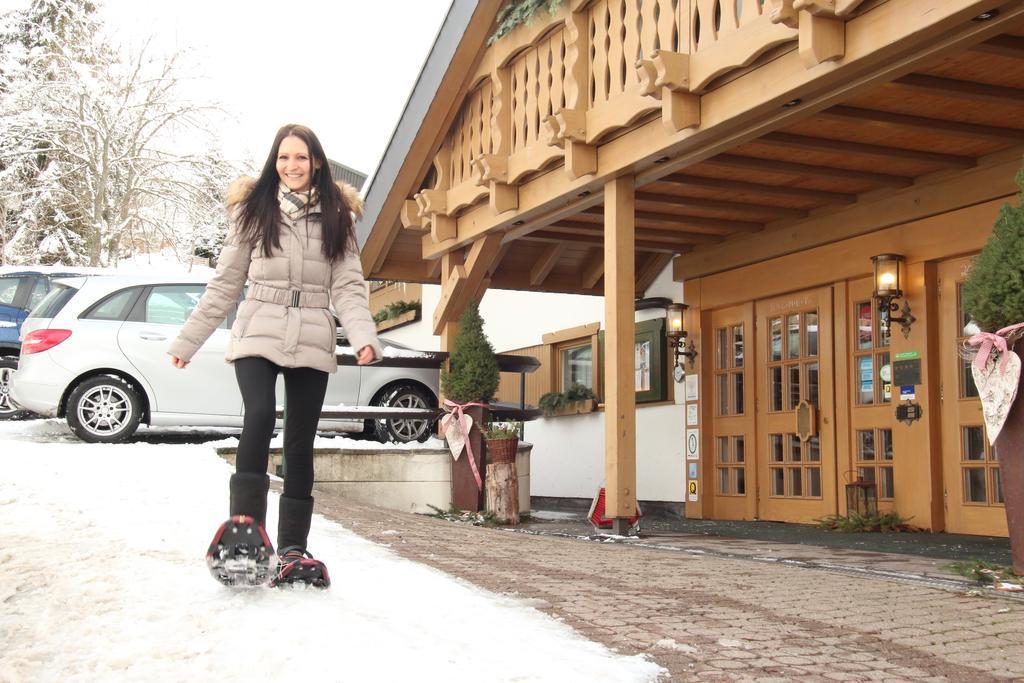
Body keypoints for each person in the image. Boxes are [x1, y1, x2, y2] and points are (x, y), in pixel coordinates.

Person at [168, 124, 381, 587]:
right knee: (260, 414)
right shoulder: (253, 212)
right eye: (284, 158)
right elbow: (225, 283)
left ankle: (291, 549)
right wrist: (188, 341)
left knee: (300, 440)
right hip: (259, 327)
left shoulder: (337, 218)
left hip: (312, 332)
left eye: (300, 158)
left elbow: (347, 286)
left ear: (317, 163)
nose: (291, 166)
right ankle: (245, 535)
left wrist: (363, 335)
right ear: (274, 162)